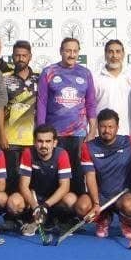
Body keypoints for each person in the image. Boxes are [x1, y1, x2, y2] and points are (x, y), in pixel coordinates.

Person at [79, 108, 131, 243]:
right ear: (97, 127)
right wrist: (96, 203)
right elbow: (90, 176)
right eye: (103, 126)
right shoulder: (88, 147)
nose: (106, 130)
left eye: (110, 127)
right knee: (82, 206)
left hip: (122, 195)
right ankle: (103, 218)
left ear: (117, 127)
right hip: (100, 196)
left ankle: (126, 221)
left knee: (130, 206)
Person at [37, 38, 96, 177]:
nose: (72, 55)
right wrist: (41, 130)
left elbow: (91, 104)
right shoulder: (49, 72)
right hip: (55, 134)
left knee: (77, 175)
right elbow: (41, 103)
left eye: (75, 51)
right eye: (68, 51)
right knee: (55, 175)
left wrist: (92, 130)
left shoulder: (85, 73)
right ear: (61, 51)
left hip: (79, 134)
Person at [18, 125, 83, 238]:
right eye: (40, 141)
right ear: (34, 142)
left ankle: (59, 220)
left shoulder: (62, 154)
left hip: (54, 198)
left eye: (48, 141)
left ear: (55, 143)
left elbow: (65, 187)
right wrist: (35, 206)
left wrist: (45, 206)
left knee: (71, 200)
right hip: (34, 198)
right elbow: (23, 185)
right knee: (14, 203)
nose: (44, 145)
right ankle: (28, 220)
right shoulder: (28, 153)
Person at [1, 41, 39, 184]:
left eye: (24, 55)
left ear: (30, 57)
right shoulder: (4, 78)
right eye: (17, 55)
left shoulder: (39, 78)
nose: (21, 58)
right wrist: (2, 134)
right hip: (10, 139)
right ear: (12, 57)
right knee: (12, 180)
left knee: (32, 180)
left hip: (33, 139)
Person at [92, 39, 131, 137]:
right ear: (105, 54)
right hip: (102, 135)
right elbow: (90, 107)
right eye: (110, 52)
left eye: (118, 52)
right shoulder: (95, 77)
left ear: (123, 54)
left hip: (127, 133)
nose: (114, 56)